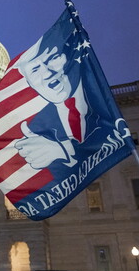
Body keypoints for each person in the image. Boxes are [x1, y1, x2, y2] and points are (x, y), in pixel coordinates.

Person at [12, 34, 100, 170]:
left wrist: (63, 149)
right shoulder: (35, 125)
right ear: (29, 83)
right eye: (35, 69)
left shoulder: (97, 99)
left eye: (52, 58)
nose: (47, 73)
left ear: (66, 57)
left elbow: (107, 135)